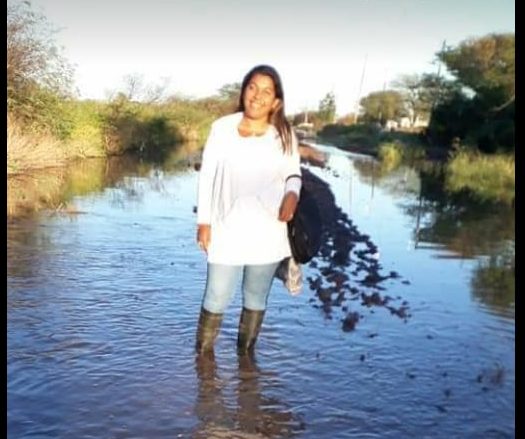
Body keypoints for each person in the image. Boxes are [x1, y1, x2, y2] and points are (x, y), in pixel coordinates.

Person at [195, 64, 302, 355]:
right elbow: (207, 175)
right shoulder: (222, 128)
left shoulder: (284, 134)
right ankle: (202, 363)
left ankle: (246, 362)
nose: (257, 95)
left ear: (276, 101)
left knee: (255, 297)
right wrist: (204, 221)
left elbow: (293, 174)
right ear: (244, 91)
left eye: (266, 91)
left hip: (268, 230)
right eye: (252, 87)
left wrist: (292, 195)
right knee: (216, 295)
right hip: (226, 227)